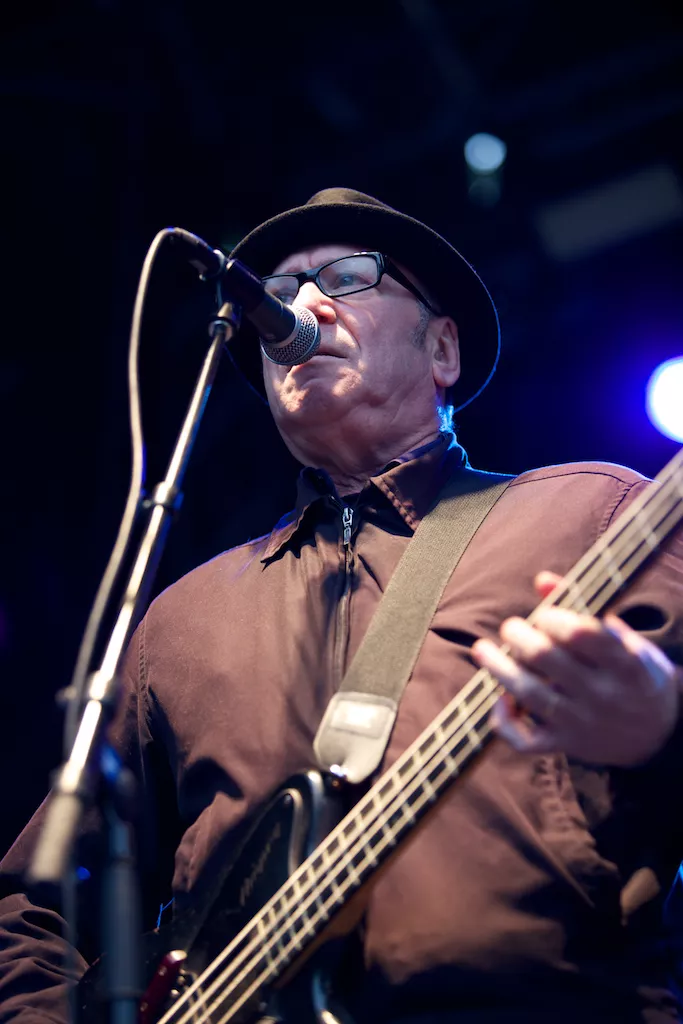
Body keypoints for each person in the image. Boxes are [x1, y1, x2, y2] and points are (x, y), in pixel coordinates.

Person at [1, 187, 683, 1024]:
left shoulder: (591, 515)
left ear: (441, 349)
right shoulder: (181, 621)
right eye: (279, 291)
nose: (301, 305)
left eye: (348, 276)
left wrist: (660, 723)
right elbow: (32, 907)